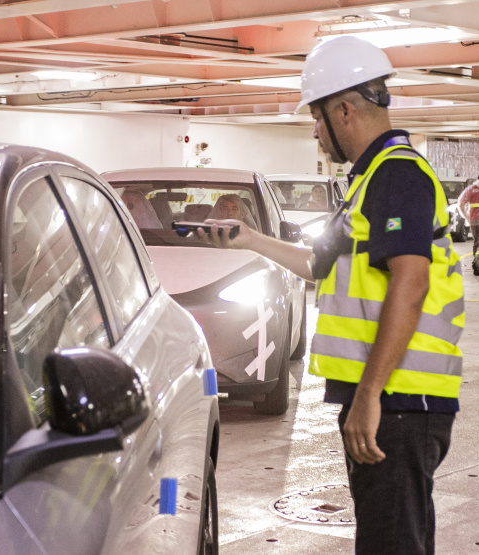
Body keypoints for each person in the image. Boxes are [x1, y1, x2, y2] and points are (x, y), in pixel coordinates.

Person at [198, 35, 464, 555]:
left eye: (316, 118)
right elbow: (318, 265)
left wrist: (368, 397)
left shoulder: (398, 176)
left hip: (400, 401)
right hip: (391, 399)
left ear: (345, 109)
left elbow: (411, 285)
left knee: (391, 544)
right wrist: (249, 239)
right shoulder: (368, 182)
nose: (315, 132)